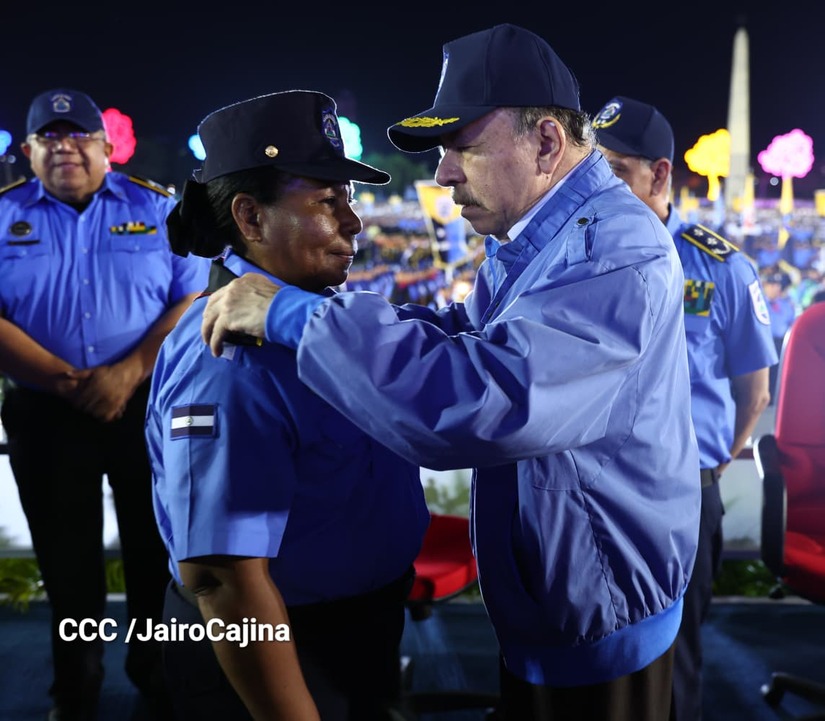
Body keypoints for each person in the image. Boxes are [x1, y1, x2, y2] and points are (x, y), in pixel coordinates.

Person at [198, 24, 701, 721]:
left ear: (547, 143)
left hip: (597, 618)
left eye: (462, 147)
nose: (442, 174)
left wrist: (297, 317)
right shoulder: (540, 234)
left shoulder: (607, 251)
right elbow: (476, 339)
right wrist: (356, 315)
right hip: (568, 599)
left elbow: (484, 398)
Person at [145, 89, 429, 721]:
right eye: (329, 201)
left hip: (352, 630)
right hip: (281, 653)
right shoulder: (231, 357)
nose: (353, 222)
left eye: (348, 199)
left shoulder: (310, 316)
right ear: (250, 218)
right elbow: (222, 577)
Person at [0, 88, 208, 721]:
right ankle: (76, 681)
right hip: (45, 411)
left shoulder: (158, 207)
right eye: (49, 138)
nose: (64, 147)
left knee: (155, 551)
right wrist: (66, 380)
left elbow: (191, 298)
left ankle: (155, 670)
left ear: (104, 146)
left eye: (77, 136)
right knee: (67, 560)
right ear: (30, 152)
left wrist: (129, 372)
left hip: (143, 403)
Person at [592, 95, 777, 721]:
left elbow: (755, 391)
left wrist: (711, 469)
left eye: (615, 172)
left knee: (677, 655)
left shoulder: (722, 268)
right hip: (596, 487)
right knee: (595, 648)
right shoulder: (584, 253)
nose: (599, 187)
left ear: (660, 174)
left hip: (684, 488)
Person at [760, 267, 797, 403]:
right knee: (765, 373)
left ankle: (776, 400)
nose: (775, 288)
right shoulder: (760, 304)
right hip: (765, 343)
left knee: (779, 374)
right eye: (772, 285)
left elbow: (791, 322)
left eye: (777, 285)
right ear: (766, 286)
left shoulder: (786, 305)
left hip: (781, 343)